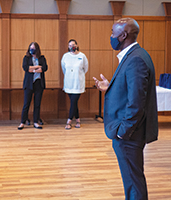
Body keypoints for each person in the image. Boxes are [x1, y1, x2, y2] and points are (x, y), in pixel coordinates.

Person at [93, 18, 158, 200]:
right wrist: (111, 86)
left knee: (133, 182)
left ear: (123, 36)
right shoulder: (135, 55)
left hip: (129, 135)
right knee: (132, 181)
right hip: (130, 133)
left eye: (113, 33)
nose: (111, 37)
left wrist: (123, 132)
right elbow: (130, 90)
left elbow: (136, 103)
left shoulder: (136, 59)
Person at [18, 42, 48, 130]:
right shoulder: (26, 58)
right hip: (29, 84)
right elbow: (26, 68)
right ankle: (22, 122)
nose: (32, 50)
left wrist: (34, 68)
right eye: (31, 48)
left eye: (34, 48)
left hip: (39, 83)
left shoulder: (42, 58)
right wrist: (37, 68)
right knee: (26, 104)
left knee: (37, 104)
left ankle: (36, 122)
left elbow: (44, 68)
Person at [61, 39, 88, 129]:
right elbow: (64, 69)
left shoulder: (82, 56)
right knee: (74, 103)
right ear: (68, 47)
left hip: (78, 83)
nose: (72, 46)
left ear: (76, 45)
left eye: (73, 44)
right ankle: (77, 120)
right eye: (70, 45)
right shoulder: (65, 56)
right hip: (69, 83)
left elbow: (85, 69)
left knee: (73, 101)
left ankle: (69, 121)